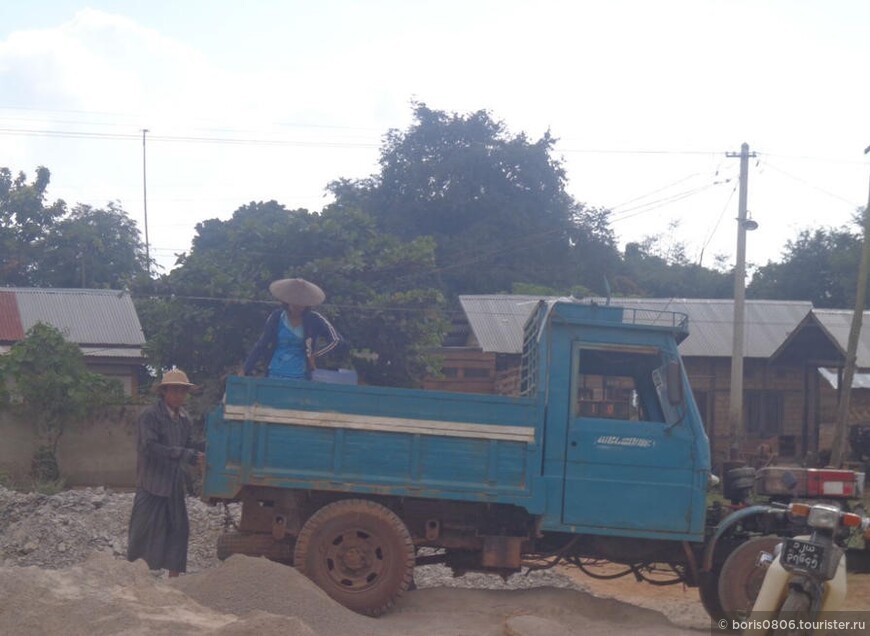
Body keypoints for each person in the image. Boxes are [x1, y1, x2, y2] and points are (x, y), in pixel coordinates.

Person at [127, 368, 204, 578]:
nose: (179, 395)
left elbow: (189, 446)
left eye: (183, 391)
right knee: (142, 534)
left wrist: (200, 453)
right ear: (164, 392)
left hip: (173, 485)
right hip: (151, 483)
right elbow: (150, 448)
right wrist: (183, 454)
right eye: (175, 390)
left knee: (179, 532)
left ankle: (173, 583)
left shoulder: (185, 420)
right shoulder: (150, 416)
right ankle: (136, 579)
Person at [243, 277, 344, 379]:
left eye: (301, 304)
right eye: (294, 303)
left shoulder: (315, 319)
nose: (298, 306)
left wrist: (315, 356)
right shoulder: (276, 317)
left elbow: (336, 340)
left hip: (301, 375)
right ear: (287, 301)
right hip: (275, 372)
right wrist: (246, 369)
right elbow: (262, 344)